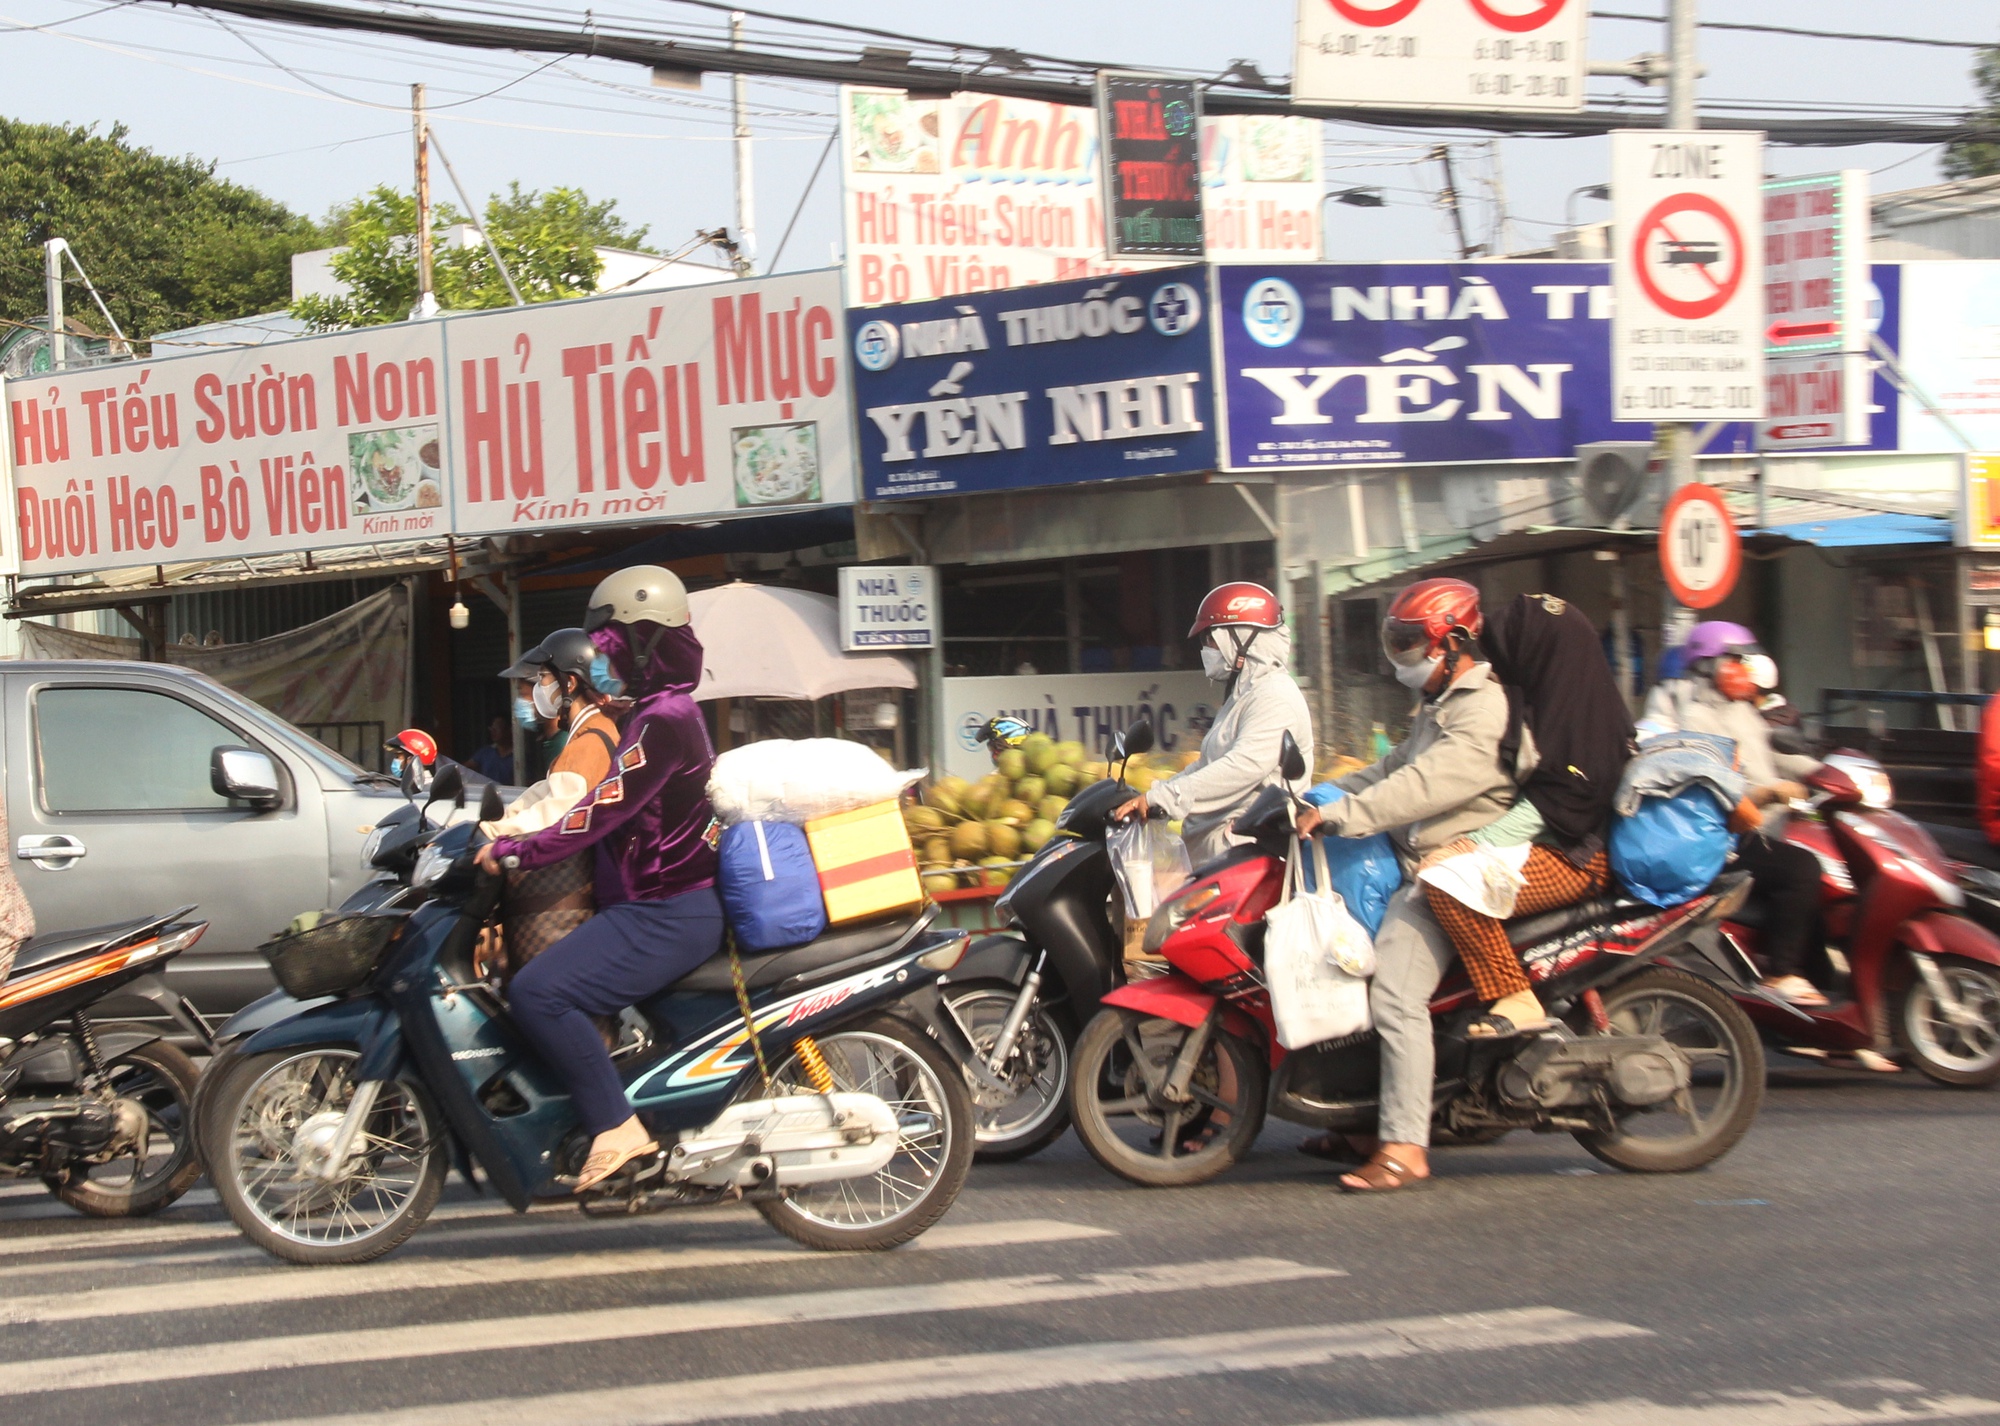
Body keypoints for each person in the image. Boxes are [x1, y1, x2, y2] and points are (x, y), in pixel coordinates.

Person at [475, 567, 724, 1191]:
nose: (604, 657)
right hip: (655, 908)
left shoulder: (665, 718)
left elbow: (598, 809)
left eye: (613, 642)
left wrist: (516, 853)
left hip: (665, 911)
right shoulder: (655, 714)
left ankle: (616, 1129)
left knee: (538, 992)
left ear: (645, 643)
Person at [1294, 577, 1524, 1193]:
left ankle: (1404, 1148)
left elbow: (1424, 789)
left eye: (1410, 643)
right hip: (1418, 860)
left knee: (1394, 993)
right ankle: (1361, 1124)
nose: (1402, 657)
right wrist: (1319, 794)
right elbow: (1395, 768)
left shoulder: (1483, 708)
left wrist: (1344, 815)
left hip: (1454, 877)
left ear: (1453, 641)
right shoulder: (1443, 702)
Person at [1420, 594, 1635, 1039]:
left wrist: (1474, 843)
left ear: (1540, 654)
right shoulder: (1562, 699)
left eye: (1505, 658)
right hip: (1554, 845)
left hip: (1577, 857)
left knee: (1450, 885)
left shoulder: (1579, 722)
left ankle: (1515, 998)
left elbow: (1561, 796)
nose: (1497, 671)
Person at [1639, 621, 1826, 1007]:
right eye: (1737, 661)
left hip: (1760, 827)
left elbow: (1774, 756)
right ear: (1709, 665)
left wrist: (1825, 773)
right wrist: (1769, 792)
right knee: (1803, 868)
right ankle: (1781, 973)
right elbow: (1716, 783)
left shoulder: (1740, 711)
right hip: (1722, 836)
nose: (1747, 670)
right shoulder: (1693, 716)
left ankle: (1824, 997)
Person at [1112, 582, 1314, 866]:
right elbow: (1209, 764)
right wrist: (1156, 793)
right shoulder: (1244, 693)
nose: (1206, 648)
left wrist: (1167, 797)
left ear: (1242, 638)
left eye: (1211, 639)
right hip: (1218, 852)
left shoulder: (1275, 696)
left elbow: (1243, 766)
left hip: (1248, 854)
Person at [494, 628, 628, 980]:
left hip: (575, 899)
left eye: (542, 680)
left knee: (534, 990)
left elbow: (556, 816)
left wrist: (497, 843)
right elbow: (543, 793)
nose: (537, 690)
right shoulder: (592, 734)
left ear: (568, 685)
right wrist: (498, 826)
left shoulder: (588, 744)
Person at [467, 716, 515, 784]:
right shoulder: (485, 752)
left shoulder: (519, 755)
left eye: (497, 728)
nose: (493, 731)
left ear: (509, 730)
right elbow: (466, 768)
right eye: (491, 728)